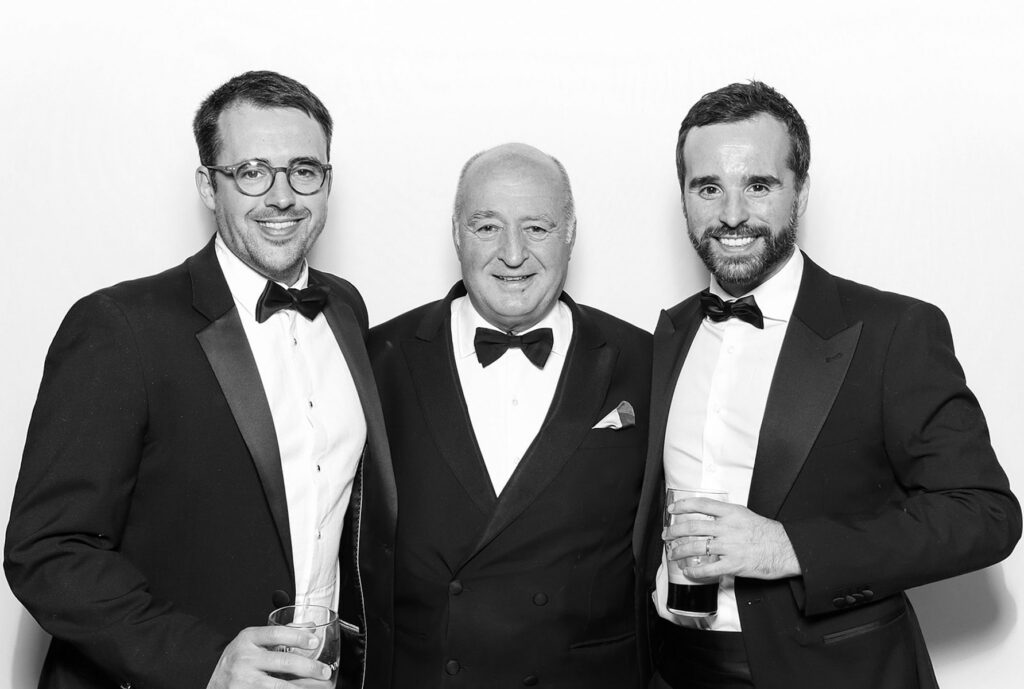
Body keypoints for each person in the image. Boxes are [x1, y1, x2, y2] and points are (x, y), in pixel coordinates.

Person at [4, 70, 395, 689]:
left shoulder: (345, 309)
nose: (282, 196)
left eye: (304, 170)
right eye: (252, 172)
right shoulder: (119, 328)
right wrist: (204, 662)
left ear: (327, 182)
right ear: (209, 187)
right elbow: (48, 549)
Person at [637, 81, 1021, 689]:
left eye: (758, 185)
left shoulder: (894, 331)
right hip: (672, 669)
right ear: (683, 195)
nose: (731, 214)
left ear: (801, 191)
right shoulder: (668, 334)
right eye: (708, 188)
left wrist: (787, 548)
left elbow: (985, 515)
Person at [368, 143, 652, 688]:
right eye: (487, 227)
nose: (513, 254)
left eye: (537, 228)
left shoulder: (645, 361)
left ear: (571, 234)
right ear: (457, 234)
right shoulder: (376, 359)